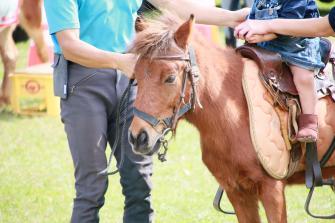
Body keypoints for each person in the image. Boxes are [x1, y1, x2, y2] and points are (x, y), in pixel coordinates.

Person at [43, 1, 249, 222]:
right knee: (90, 186)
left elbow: (172, 5)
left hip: (132, 78)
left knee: (139, 183)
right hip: (83, 83)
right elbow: (69, 45)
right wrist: (119, 61)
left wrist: (232, 17)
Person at [235, 0, 325, 142]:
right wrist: (246, 28)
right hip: (268, 42)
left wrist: (262, 35)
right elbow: (253, 17)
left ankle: (309, 121)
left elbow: (291, 23)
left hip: (297, 43)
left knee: (303, 77)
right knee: (245, 68)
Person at [234, 7, 335, 41]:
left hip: (296, 46)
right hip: (273, 43)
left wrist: (265, 29)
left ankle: (310, 91)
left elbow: (326, 27)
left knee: (303, 78)